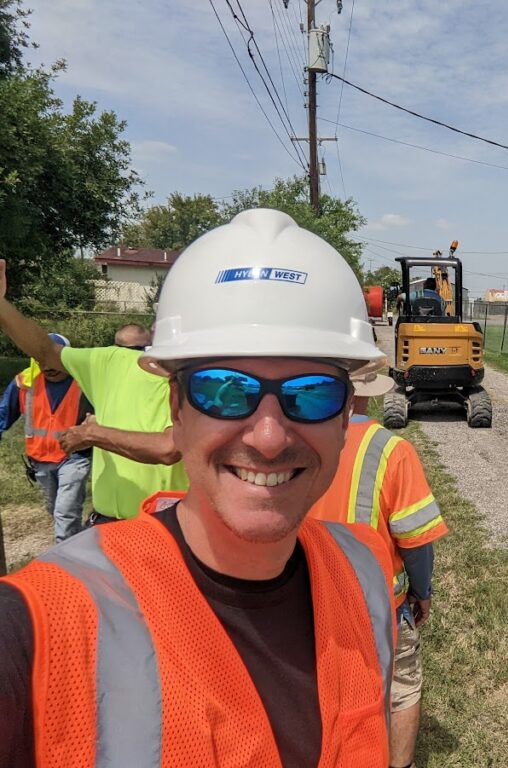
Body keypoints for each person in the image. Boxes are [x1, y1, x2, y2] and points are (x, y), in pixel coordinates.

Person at [0, 209, 397, 766]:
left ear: (345, 417)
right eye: (224, 391)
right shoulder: (48, 619)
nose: (267, 436)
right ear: (177, 410)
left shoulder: (365, 574)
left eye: (311, 393)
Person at [310, 365, 448, 768]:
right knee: (401, 688)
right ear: (367, 393)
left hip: (312, 595)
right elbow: (416, 540)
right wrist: (423, 592)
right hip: (380, 605)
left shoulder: (298, 438)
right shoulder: (390, 450)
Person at [0, 295, 188, 522]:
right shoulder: (110, 360)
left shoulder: (204, 378)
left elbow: (168, 449)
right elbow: (45, 351)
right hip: (111, 520)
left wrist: (93, 433)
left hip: (166, 524)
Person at [0, 333, 93, 542]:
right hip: (40, 460)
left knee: (65, 512)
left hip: (74, 458)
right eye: (41, 359)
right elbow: (4, 413)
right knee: (54, 509)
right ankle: (77, 544)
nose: (48, 365)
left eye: (53, 359)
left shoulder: (85, 382)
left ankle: (66, 562)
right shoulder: (24, 382)